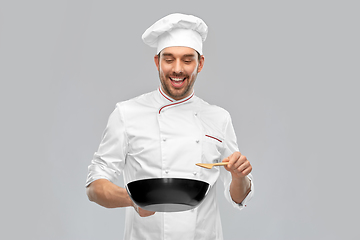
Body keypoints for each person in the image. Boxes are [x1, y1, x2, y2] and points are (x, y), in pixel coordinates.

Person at [86, 13, 254, 240]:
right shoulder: (127, 113)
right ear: (157, 61)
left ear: (200, 64)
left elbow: (238, 196)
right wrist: (133, 201)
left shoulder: (218, 118)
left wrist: (238, 176)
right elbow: (94, 186)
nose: (177, 69)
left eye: (187, 60)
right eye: (168, 59)